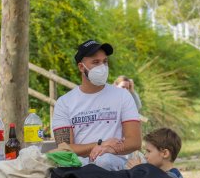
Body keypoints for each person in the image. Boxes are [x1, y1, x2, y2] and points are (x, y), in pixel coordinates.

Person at [52, 39, 141, 170]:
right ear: (81, 67)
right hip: (79, 168)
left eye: (105, 62)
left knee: (104, 161)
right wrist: (101, 144)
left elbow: (135, 142)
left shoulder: (122, 96)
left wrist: (108, 149)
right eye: (96, 62)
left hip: (115, 165)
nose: (102, 67)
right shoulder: (64, 103)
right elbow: (64, 150)